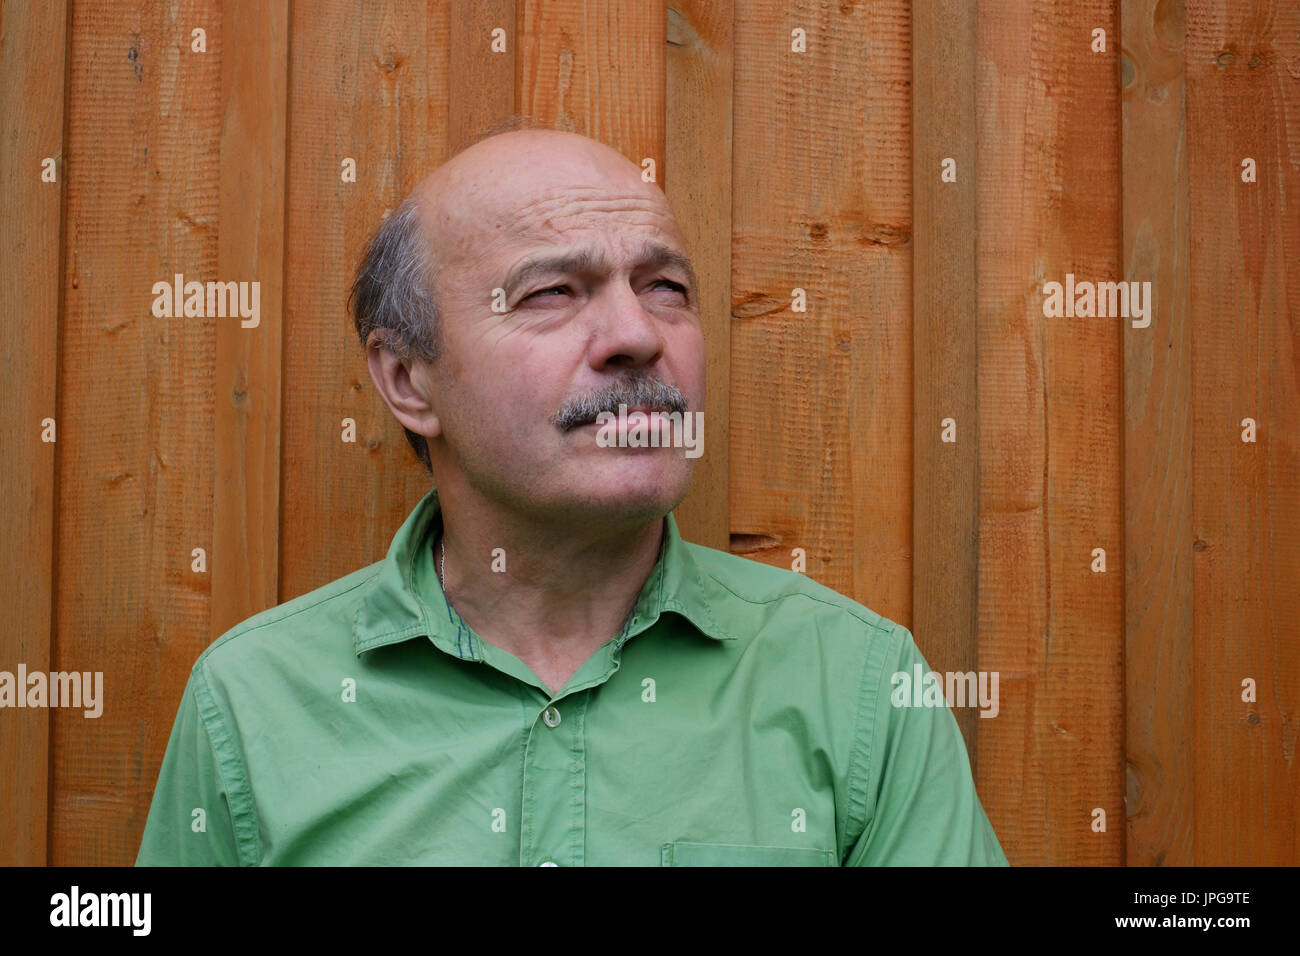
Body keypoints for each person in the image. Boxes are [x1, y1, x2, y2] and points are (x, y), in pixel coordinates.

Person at [135, 126, 1007, 866]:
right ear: (407, 379)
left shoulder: (856, 685)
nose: (637, 335)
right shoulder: (252, 707)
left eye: (665, 288)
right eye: (552, 292)